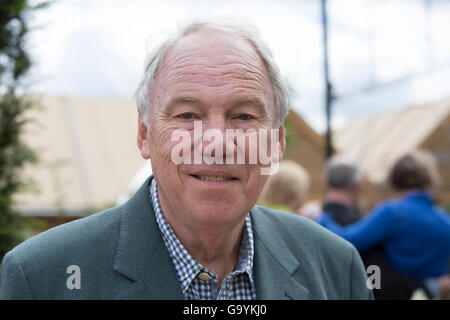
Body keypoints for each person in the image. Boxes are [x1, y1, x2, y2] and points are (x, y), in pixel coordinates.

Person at [0, 18, 373, 300]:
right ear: (145, 135)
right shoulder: (40, 277)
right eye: (187, 116)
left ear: (276, 143)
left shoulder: (338, 268)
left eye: (243, 116)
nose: (215, 142)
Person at [309, 150, 450, 300]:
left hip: (396, 293)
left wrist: (321, 218)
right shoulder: (445, 221)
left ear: (396, 178)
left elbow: (347, 240)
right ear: (430, 178)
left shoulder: (391, 213)